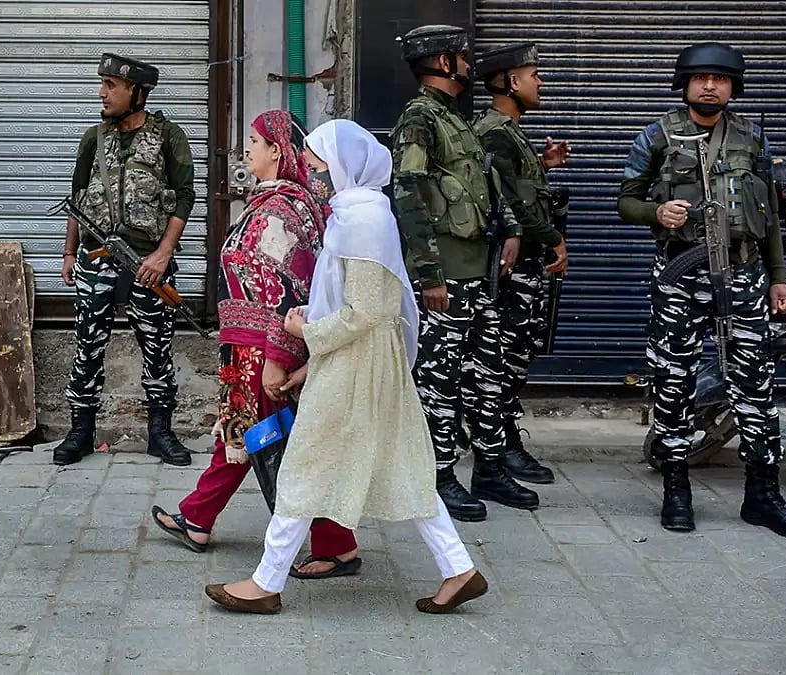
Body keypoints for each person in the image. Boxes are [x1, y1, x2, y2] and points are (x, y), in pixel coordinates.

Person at [205, 119, 486, 615]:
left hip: (356, 366)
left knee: (303, 467)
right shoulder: (356, 214)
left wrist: (303, 332)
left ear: (342, 167)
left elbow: (366, 312)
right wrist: (311, 332)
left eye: (317, 166)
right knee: (403, 469)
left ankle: (266, 583)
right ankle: (458, 567)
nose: (312, 175)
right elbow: (358, 306)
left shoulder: (363, 222)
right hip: (364, 362)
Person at [618, 42, 786, 540]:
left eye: (721, 79)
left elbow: (768, 214)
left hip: (746, 278)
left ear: (734, 87)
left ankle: (763, 494)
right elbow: (626, 200)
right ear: (684, 84)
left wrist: (779, 278)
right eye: (701, 77)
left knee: (755, 386)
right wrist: (655, 213)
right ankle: (676, 487)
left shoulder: (752, 139)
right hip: (680, 279)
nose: (711, 86)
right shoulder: (658, 136)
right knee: (673, 382)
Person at [151, 110, 360, 580]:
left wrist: (277, 356)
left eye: (256, 141)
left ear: (277, 151)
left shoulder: (281, 209)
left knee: (272, 438)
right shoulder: (277, 202)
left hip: (263, 348)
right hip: (256, 345)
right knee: (252, 433)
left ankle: (332, 543)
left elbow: (284, 293)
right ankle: (200, 517)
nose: (248, 149)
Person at [391, 25, 533, 523]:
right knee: (440, 379)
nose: (472, 67)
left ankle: (490, 468)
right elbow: (407, 196)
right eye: (463, 58)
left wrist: (512, 227)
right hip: (447, 278)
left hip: (482, 274)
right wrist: (428, 275)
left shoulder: (457, 121)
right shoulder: (419, 121)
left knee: (489, 375)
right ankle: (440, 474)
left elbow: (489, 183)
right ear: (445, 64)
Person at [53, 53, 197, 467]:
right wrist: (68, 252)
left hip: (148, 264)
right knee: (87, 348)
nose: (103, 93)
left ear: (137, 92)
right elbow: (77, 199)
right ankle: (80, 433)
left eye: (111, 85)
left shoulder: (169, 137)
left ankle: (160, 433)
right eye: (103, 84)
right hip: (95, 261)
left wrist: (163, 253)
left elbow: (184, 197)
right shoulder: (92, 139)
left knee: (157, 348)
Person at [467, 43, 569, 485]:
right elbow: (506, 205)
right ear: (510, 82)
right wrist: (554, 238)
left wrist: (543, 167)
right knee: (500, 362)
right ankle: (499, 445)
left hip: (524, 268)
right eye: (533, 75)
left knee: (514, 359)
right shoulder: (494, 133)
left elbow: (518, 189)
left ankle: (503, 440)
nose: (539, 82)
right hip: (508, 271)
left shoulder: (511, 133)